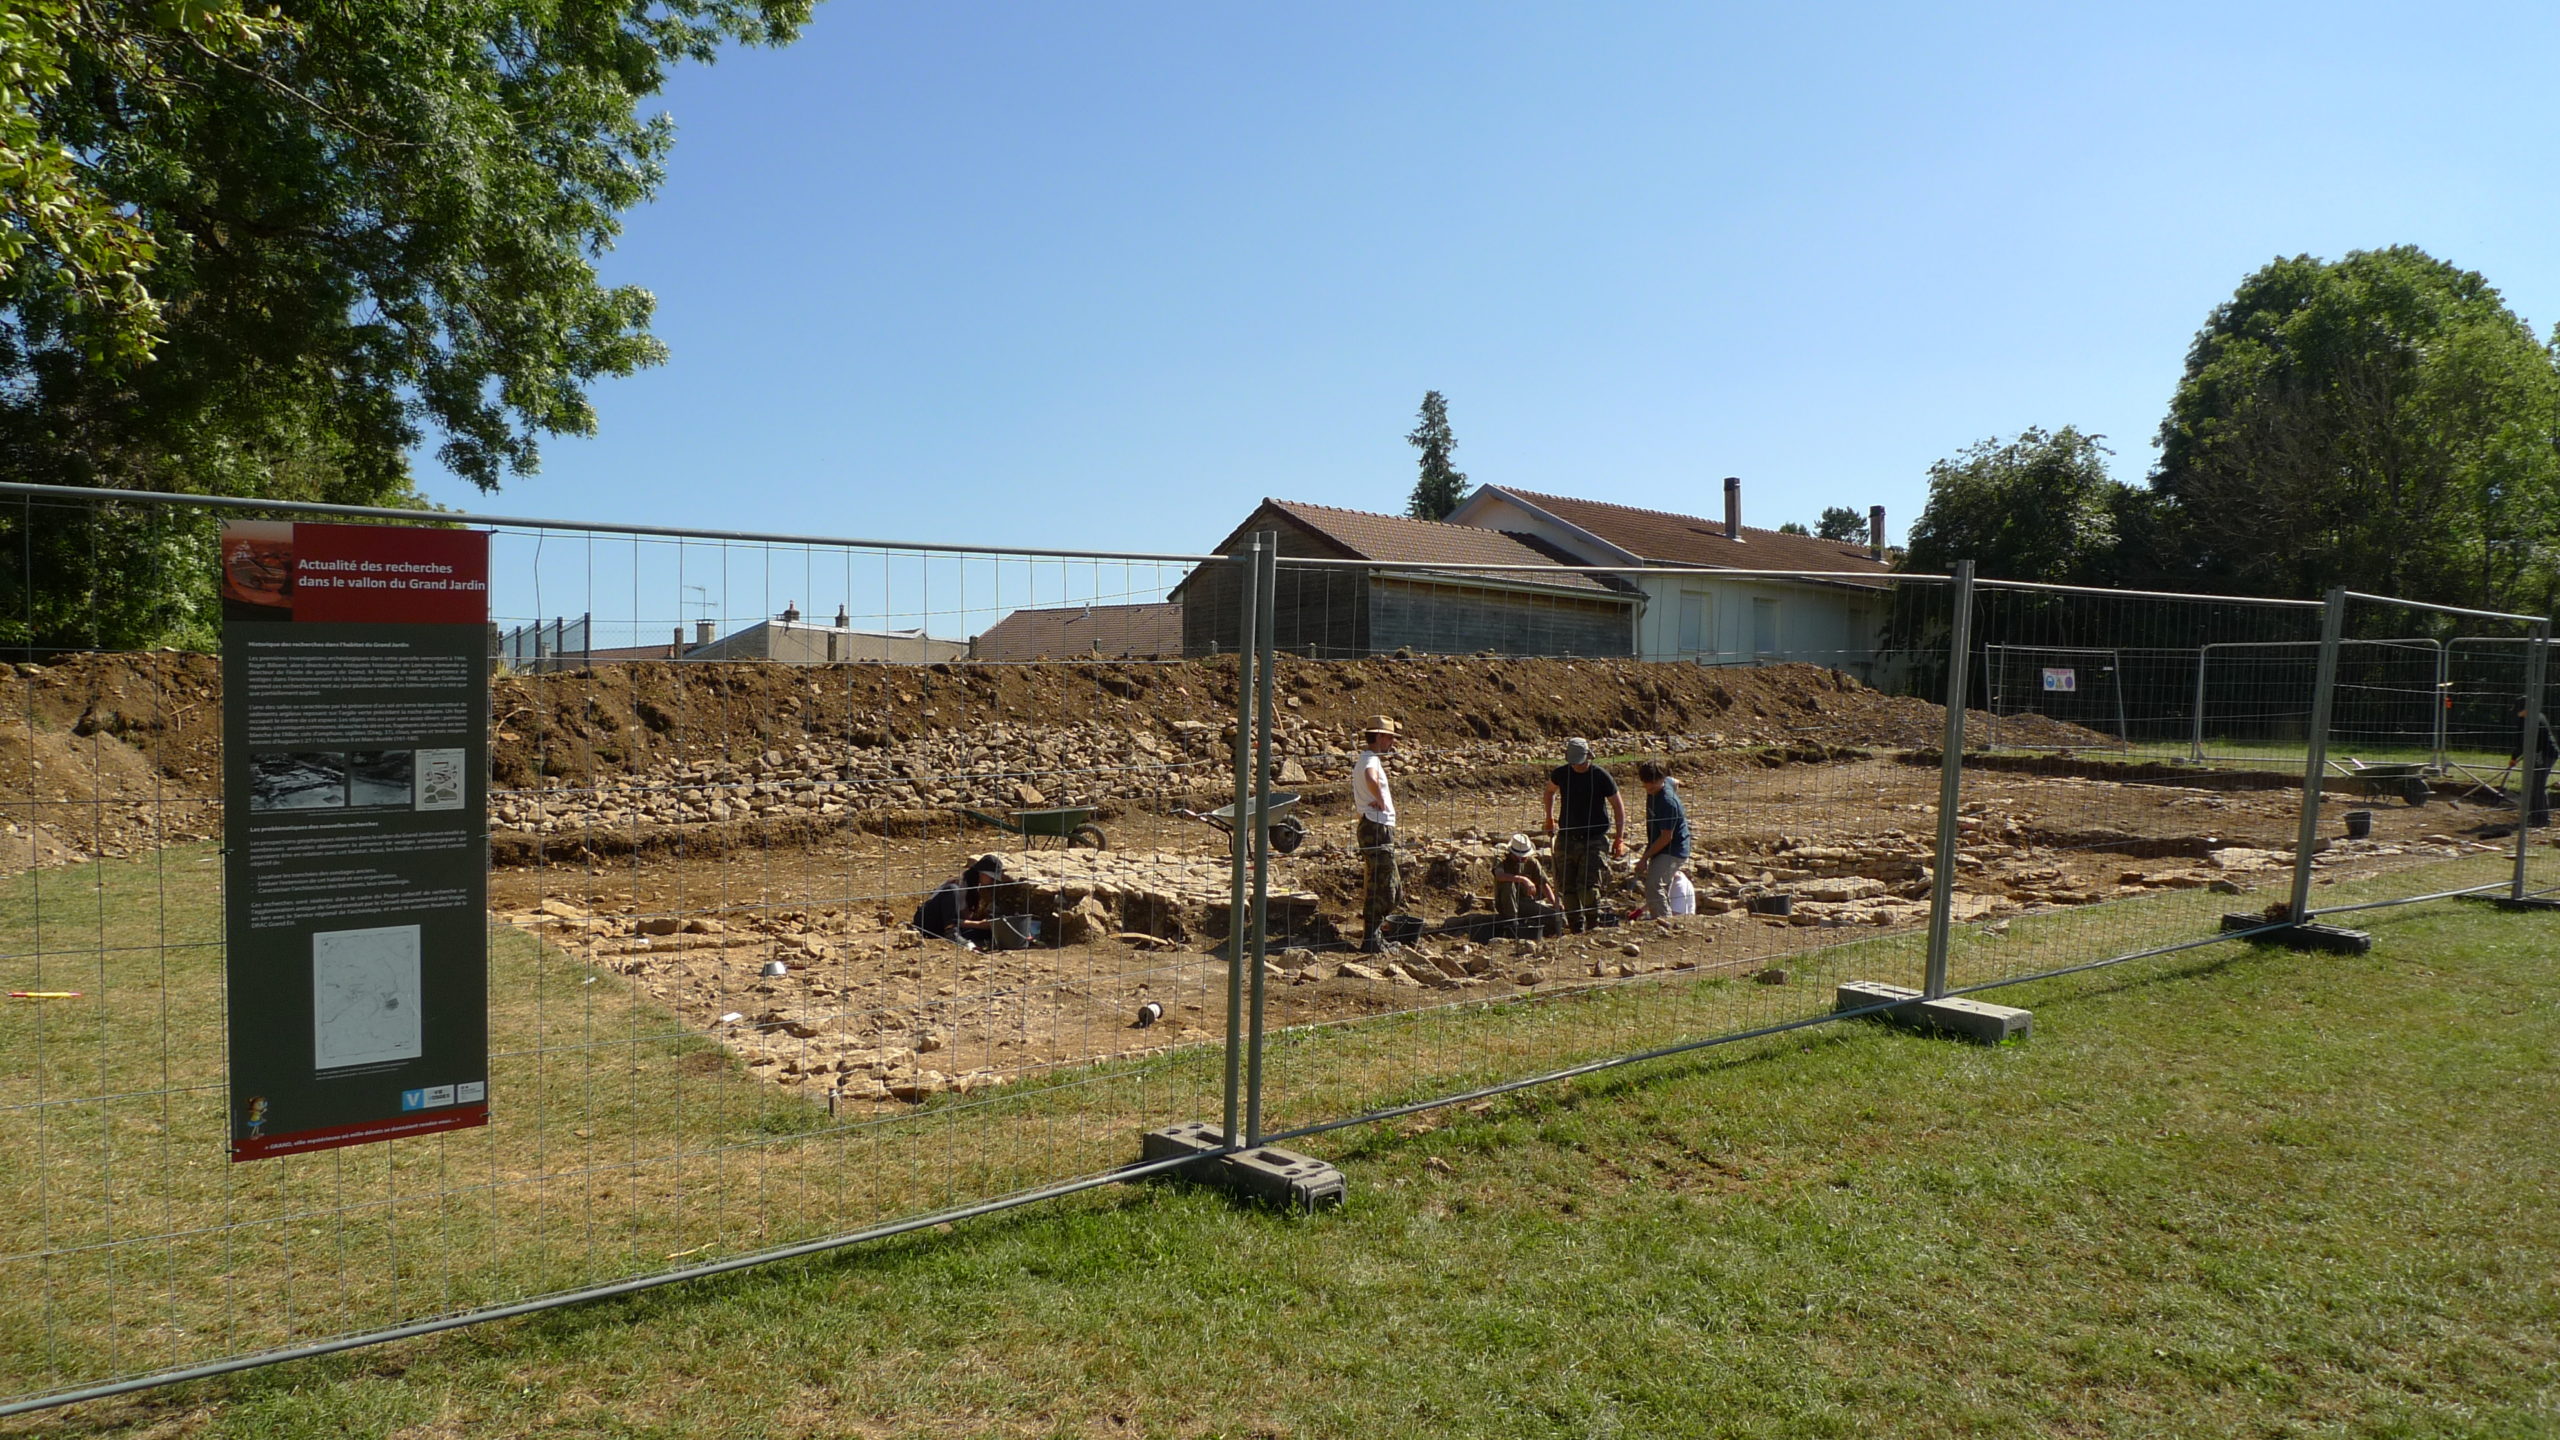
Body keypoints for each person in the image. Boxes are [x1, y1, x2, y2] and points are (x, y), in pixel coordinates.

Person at [1543, 737, 1625, 933]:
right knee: (1568, 887)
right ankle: (1575, 927)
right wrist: (1549, 817)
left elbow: (1618, 806)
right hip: (1567, 838)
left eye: (1579, 761)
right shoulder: (1561, 773)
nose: (1577, 766)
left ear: (1588, 756)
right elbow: (1549, 792)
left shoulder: (1600, 776)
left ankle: (1592, 924)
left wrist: (1619, 838)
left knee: (1588, 887)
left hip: (1594, 839)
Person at [1351, 715, 1402, 952]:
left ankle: (1374, 935)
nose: (1392, 741)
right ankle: (1372, 939)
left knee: (1387, 884)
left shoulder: (1365, 759)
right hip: (1377, 827)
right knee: (1384, 886)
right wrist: (1380, 799)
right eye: (1390, 736)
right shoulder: (1370, 760)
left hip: (1374, 825)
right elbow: (1371, 777)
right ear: (1379, 736)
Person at [1634, 760, 1690, 922]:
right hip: (1661, 845)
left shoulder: (1667, 802)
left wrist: (1644, 858)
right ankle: (1659, 916)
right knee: (1657, 884)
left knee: (1654, 885)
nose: (1649, 788)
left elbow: (1666, 837)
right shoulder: (1664, 784)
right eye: (1646, 785)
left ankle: (1664, 922)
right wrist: (1682, 783)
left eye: (1653, 785)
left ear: (1661, 779)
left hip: (1673, 849)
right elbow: (1673, 781)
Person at [913, 854, 1006, 947]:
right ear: (982, 873)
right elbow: (956, 919)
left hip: (945, 926)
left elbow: (963, 918)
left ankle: (959, 936)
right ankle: (951, 933)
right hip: (929, 920)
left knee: (986, 933)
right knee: (952, 889)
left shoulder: (976, 887)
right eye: (992, 878)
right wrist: (979, 924)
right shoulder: (959, 883)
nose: (993, 881)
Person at [1491, 833, 1562, 939]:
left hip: (1525, 903)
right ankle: (1512, 924)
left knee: (1553, 916)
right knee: (1508, 884)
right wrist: (1523, 879)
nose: (1523, 859)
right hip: (1506, 904)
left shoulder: (1532, 862)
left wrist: (1555, 903)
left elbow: (1543, 884)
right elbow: (1500, 876)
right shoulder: (1501, 859)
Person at [2514, 699, 2556, 827]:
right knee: (2533, 785)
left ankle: (2542, 819)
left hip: (2544, 755)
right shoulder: (2531, 717)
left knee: (2537, 786)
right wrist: (2515, 756)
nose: (2517, 713)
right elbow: (2523, 740)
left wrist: (2514, 757)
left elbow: (2525, 741)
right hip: (2539, 754)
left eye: (2518, 710)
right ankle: (2534, 815)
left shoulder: (2533, 720)